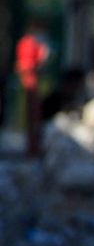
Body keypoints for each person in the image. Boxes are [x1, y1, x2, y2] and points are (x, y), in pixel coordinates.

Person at [15, 18, 51, 157]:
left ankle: (33, 146)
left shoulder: (29, 42)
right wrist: (42, 57)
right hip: (30, 82)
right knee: (32, 117)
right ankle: (32, 148)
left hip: (31, 81)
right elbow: (27, 65)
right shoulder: (29, 43)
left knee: (33, 118)